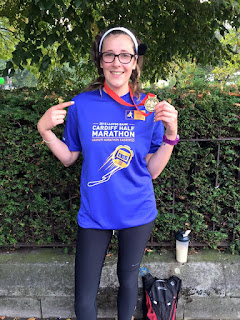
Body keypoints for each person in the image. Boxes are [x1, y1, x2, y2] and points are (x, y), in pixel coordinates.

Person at [37, 26, 178, 320]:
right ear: (100, 61)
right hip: (94, 213)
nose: (117, 62)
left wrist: (171, 134)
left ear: (135, 61)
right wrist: (45, 130)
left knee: (128, 282)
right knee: (85, 293)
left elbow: (152, 171)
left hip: (137, 211)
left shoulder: (149, 106)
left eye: (125, 55)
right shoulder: (82, 104)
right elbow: (69, 157)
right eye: (109, 55)